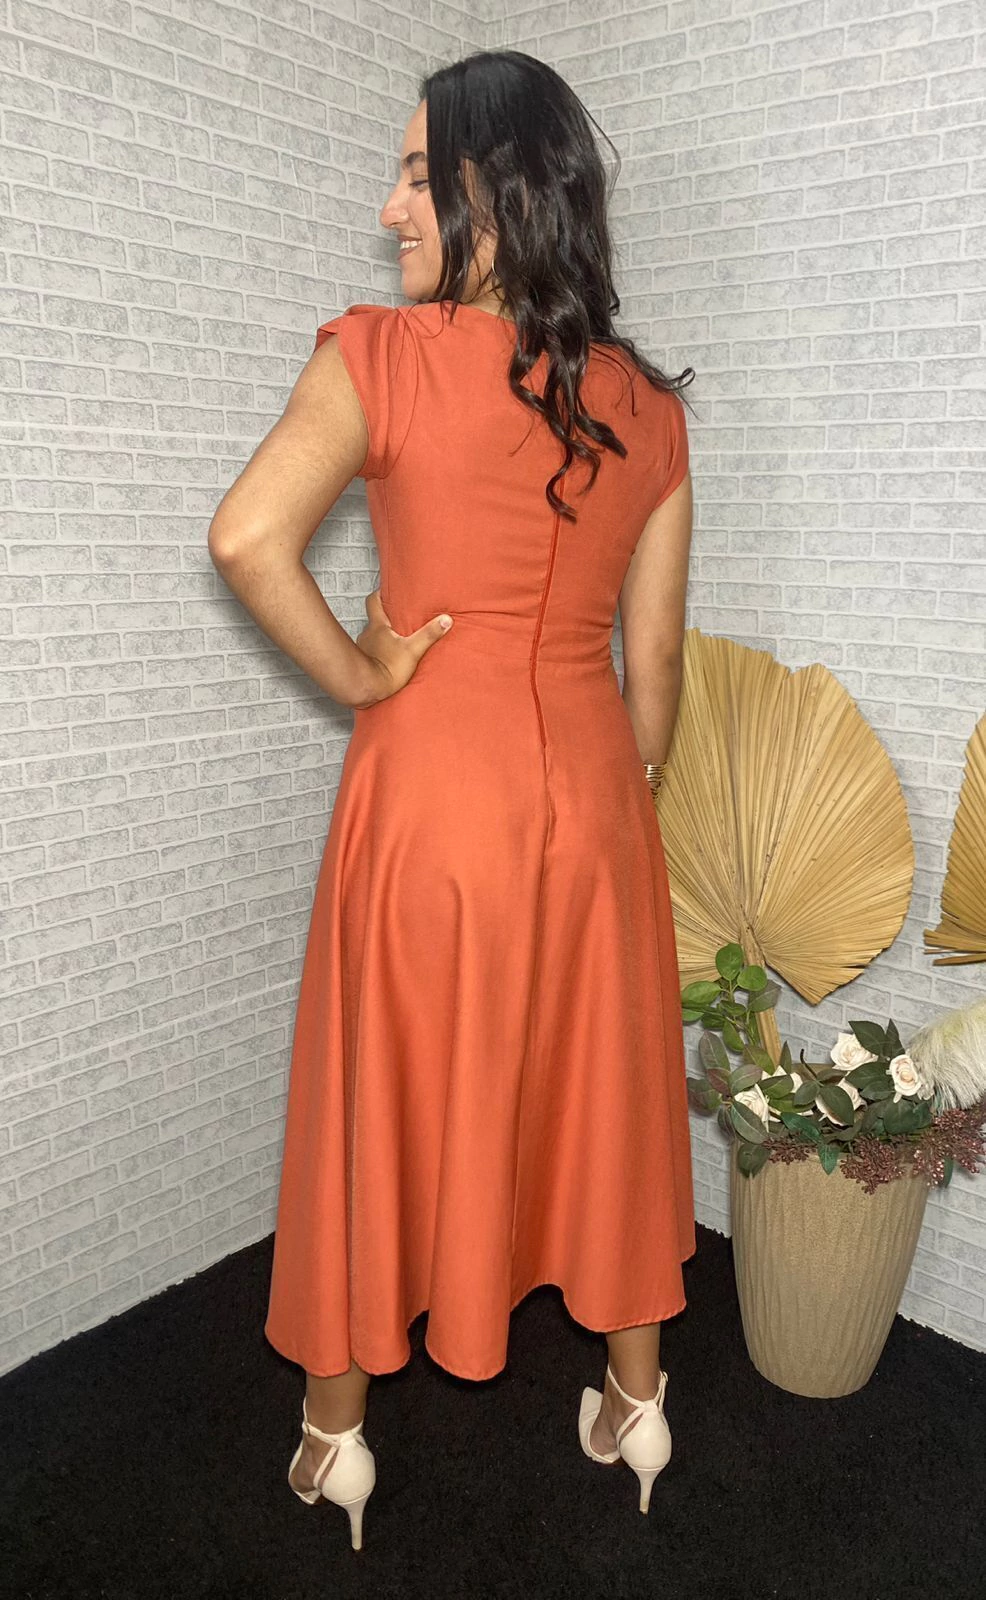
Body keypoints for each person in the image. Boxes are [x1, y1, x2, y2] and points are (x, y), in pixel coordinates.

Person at [208, 49, 696, 1550]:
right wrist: (610, 795)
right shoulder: (645, 407)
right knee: (601, 1097)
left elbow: (246, 539)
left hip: (428, 801)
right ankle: (636, 1404)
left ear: (493, 189)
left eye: (417, 175)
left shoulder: (385, 356)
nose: (390, 207)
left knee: (381, 1096)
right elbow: (656, 675)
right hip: (593, 807)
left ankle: (334, 1438)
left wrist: (367, 675)